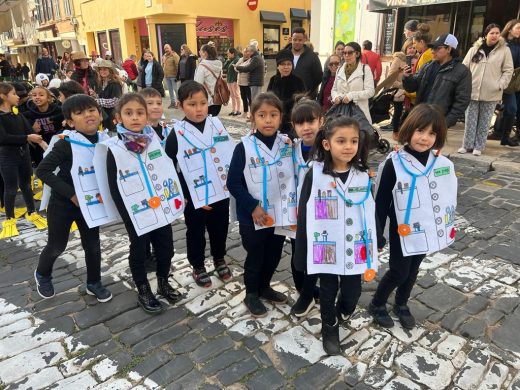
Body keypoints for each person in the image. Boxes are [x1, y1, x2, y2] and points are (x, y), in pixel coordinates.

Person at [294, 114, 376, 355]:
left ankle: (344, 310)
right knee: (328, 291)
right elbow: (305, 212)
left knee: (352, 292)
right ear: (327, 144)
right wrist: (303, 247)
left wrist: (377, 237)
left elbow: (369, 209)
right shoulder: (315, 174)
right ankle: (330, 327)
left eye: (353, 141)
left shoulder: (363, 175)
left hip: (355, 246)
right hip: (326, 248)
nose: (348, 146)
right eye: (341, 141)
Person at [369, 104, 456, 330]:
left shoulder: (439, 163)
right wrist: (377, 232)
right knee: (399, 270)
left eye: (431, 133)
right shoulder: (394, 163)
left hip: (425, 228)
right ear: (409, 130)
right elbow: (381, 202)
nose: (424, 138)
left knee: (414, 269)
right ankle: (377, 303)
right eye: (420, 131)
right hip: (402, 229)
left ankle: (401, 303)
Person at [97, 93, 184, 313]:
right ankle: (143, 288)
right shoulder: (114, 148)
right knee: (139, 249)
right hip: (136, 210)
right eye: (128, 113)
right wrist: (127, 215)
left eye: (139, 113)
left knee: (166, 247)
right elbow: (113, 185)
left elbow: (166, 168)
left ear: (146, 116)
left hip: (161, 206)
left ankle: (163, 281)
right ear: (118, 118)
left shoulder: (153, 139)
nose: (135, 118)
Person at [34, 95, 114, 301]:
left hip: (91, 204)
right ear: (70, 122)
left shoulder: (106, 141)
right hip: (63, 203)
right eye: (80, 113)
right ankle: (43, 273)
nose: (88, 115)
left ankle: (94, 283)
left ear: (99, 112)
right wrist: (70, 194)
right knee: (57, 245)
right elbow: (42, 171)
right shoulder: (65, 144)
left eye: (91, 110)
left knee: (93, 245)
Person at [227, 92, 295, 317]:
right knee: (255, 256)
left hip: (279, 214)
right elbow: (233, 182)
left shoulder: (286, 144)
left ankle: (265, 287)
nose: (268, 120)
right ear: (252, 118)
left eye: (273, 115)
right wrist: (252, 206)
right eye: (262, 115)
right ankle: (251, 294)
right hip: (253, 216)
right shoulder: (244, 147)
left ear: (281, 117)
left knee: (274, 253)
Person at [166, 81, 234, 287]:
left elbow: (230, 153)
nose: (198, 109)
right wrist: (184, 194)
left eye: (203, 103)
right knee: (195, 230)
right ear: (180, 105)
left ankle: (219, 257)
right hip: (194, 195)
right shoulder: (177, 133)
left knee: (220, 227)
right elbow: (168, 166)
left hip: (220, 191)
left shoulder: (217, 125)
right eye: (192, 104)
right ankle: (197, 265)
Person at [287, 99, 323, 317]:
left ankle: (307, 294)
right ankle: (303, 289)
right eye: (300, 123)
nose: (306, 127)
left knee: (315, 254)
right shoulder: (291, 147)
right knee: (297, 253)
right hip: (296, 213)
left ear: (322, 120)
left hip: (320, 214)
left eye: (311, 121)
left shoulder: (329, 146)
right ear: (294, 126)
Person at [0, 83, 47, 238]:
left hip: (23, 154)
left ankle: (31, 211)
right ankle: (10, 218)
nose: (17, 96)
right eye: (13, 93)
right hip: (7, 156)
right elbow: (4, 138)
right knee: (11, 187)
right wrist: (27, 137)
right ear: (3, 96)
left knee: (26, 184)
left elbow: (30, 131)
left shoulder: (17, 114)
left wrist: (43, 143)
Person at [459, 24, 514, 155]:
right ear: (486, 35)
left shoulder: (504, 50)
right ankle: (467, 145)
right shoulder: (474, 49)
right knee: (470, 120)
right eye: (492, 33)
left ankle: (479, 146)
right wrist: (464, 84)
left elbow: (508, 70)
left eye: (497, 33)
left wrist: (500, 85)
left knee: (484, 121)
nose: (495, 35)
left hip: (492, 93)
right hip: (472, 91)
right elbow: (464, 68)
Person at [402, 33, 471, 129]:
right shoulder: (428, 66)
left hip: (438, 122)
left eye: (437, 48)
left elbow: (462, 102)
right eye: (433, 48)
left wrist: (445, 122)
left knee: (431, 144)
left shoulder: (462, 72)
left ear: (449, 49)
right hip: (420, 116)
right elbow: (411, 87)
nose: (433, 52)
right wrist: (407, 77)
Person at [378, 39, 417, 134]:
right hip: (399, 91)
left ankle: (405, 128)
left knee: (411, 112)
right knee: (398, 111)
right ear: (405, 48)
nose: (412, 50)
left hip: (412, 93)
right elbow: (391, 76)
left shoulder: (418, 59)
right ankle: (395, 128)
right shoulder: (399, 59)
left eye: (413, 48)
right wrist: (402, 86)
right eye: (409, 47)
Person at [331, 41, 375, 124]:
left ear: (357, 54)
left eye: (350, 53)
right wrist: (336, 97)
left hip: (359, 114)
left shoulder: (365, 69)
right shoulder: (339, 69)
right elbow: (334, 89)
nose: (346, 55)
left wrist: (351, 95)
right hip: (341, 112)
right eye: (344, 53)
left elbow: (370, 91)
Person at [493, 20, 520, 145]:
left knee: (514, 109)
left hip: (516, 82)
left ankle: (505, 136)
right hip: (503, 81)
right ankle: (503, 136)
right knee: (511, 108)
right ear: (510, 29)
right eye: (518, 28)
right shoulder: (501, 44)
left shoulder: (518, 44)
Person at [22, 86, 64, 166]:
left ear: (48, 98)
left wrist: (52, 119)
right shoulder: (31, 112)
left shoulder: (57, 110)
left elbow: (66, 114)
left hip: (58, 143)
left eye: (41, 95)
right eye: (34, 95)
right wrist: (30, 126)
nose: (37, 97)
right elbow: (18, 117)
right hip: (41, 145)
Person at [267, 49, 305, 136]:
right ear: (277, 66)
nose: (286, 67)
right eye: (283, 64)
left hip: (291, 121)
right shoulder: (273, 80)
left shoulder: (298, 81)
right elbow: (268, 98)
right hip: (274, 120)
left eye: (289, 64)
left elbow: (302, 101)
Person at [286, 28, 323, 99]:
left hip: (305, 98)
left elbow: (318, 77)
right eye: (295, 40)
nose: (297, 42)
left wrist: (309, 92)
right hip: (286, 97)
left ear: (304, 40)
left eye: (300, 40)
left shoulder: (312, 57)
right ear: (291, 39)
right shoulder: (284, 54)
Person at [194, 44, 224, 116]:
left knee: (205, 123)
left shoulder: (202, 66)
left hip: (207, 101)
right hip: (218, 99)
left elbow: (197, 84)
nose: (199, 52)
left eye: (200, 50)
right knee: (213, 121)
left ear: (205, 53)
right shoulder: (219, 64)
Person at [94, 59, 123, 131]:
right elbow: (103, 96)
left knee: (113, 134)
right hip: (105, 115)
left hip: (113, 115)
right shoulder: (102, 82)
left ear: (110, 70)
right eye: (100, 69)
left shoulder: (115, 83)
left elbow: (115, 101)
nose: (102, 71)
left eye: (105, 69)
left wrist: (97, 101)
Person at [223, 48, 241, 116]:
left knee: (236, 95)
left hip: (234, 80)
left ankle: (238, 110)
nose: (227, 54)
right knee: (232, 96)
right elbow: (224, 67)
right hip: (229, 80)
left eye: (228, 53)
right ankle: (233, 110)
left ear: (232, 53)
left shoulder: (237, 59)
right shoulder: (230, 60)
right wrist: (227, 61)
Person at [162, 44, 180, 108]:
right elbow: (163, 65)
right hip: (167, 76)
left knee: (176, 90)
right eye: (165, 48)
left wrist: (177, 76)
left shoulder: (174, 55)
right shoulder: (164, 56)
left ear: (170, 48)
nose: (166, 50)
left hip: (173, 76)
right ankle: (172, 103)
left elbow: (178, 65)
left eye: (167, 48)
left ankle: (178, 103)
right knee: (170, 90)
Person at [236, 48, 252, 120]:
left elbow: (247, 69)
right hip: (240, 82)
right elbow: (235, 68)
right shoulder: (240, 59)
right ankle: (245, 112)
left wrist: (239, 67)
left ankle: (251, 113)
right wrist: (240, 67)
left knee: (250, 98)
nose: (246, 53)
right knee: (243, 98)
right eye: (244, 52)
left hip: (247, 82)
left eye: (247, 52)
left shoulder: (251, 60)